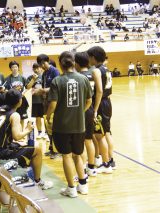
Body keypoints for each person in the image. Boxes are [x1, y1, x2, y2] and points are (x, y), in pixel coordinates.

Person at [0, 89, 53, 190]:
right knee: (37, 150)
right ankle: (38, 181)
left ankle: (28, 174)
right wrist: (28, 129)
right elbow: (17, 136)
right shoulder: (14, 115)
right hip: (1, 154)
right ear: (19, 101)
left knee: (24, 146)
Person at [47, 51, 92, 197]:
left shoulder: (57, 81)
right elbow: (89, 101)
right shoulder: (83, 79)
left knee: (66, 156)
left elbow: (52, 104)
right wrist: (80, 111)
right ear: (74, 62)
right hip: (79, 125)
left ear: (60, 63)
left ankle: (71, 189)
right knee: (78, 155)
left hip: (62, 126)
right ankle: (83, 186)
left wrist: (48, 116)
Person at [87, 46, 115, 173]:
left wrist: (95, 109)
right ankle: (110, 160)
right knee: (106, 132)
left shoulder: (97, 71)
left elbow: (99, 91)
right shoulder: (106, 69)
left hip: (101, 103)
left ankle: (106, 163)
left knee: (101, 135)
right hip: (107, 102)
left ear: (93, 57)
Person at [74, 51, 97, 177]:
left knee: (81, 142)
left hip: (81, 110)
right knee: (89, 140)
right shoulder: (93, 73)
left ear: (76, 63)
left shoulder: (77, 77)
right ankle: (91, 167)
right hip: (91, 108)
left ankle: (82, 171)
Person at [37, 54, 60, 159]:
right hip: (46, 101)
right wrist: (41, 92)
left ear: (43, 63)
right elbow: (44, 87)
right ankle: (51, 148)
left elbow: (58, 87)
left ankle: (56, 150)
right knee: (47, 125)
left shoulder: (55, 71)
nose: (41, 66)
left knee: (53, 125)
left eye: (41, 64)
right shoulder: (44, 73)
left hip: (54, 102)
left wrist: (44, 90)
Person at [27, 63, 45, 139]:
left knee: (46, 117)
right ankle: (40, 132)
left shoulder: (44, 76)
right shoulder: (30, 77)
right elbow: (28, 87)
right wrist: (33, 80)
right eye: (34, 68)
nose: (36, 70)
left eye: (37, 68)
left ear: (41, 68)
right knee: (38, 117)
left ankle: (47, 133)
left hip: (44, 101)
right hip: (35, 101)